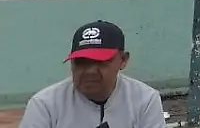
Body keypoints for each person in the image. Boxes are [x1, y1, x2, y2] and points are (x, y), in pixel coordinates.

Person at [19, 21, 165, 128]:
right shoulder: (45, 104)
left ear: (123, 60)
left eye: (100, 61)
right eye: (81, 62)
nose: (89, 71)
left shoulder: (145, 99)